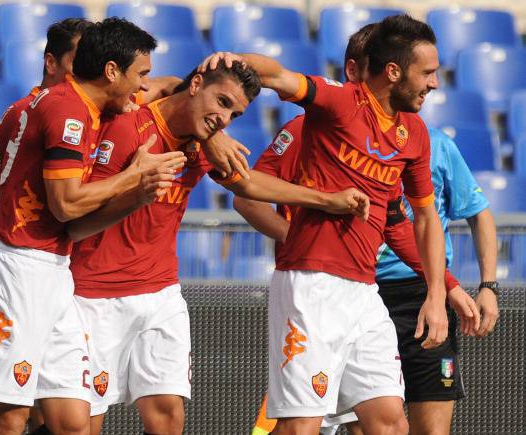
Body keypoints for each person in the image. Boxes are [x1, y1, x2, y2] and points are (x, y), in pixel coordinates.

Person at [199, 14, 483, 434]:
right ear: (393, 71)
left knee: (390, 423)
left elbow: (416, 221)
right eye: (427, 73)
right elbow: (276, 76)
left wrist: (442, 292)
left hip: (365, 292)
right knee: (301, 426)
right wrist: (231, 59)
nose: (435, 83)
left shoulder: (415, 135)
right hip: (311, 287)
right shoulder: (337, 103)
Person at [65, 60, 370, 435]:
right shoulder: (130, 128)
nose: (224, 119)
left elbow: (248, 185)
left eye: (234, 114)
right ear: (195, 84)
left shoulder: (203, 142)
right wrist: (135, 190)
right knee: (81, 423)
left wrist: (326, 200)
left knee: (168, 414)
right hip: (95, 294)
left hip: (161, 292)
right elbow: (78, 219)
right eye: (222, 102)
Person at [0, 18, 187, 435]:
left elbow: (171, 88)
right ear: (111, 71)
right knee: (8, 417)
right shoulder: (68, 110)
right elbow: (65, 206)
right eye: (140, 75)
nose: (143, 86)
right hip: (18, 270)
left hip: (56, 269)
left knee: (72, 422)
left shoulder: (80, 105)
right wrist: (134, 176)